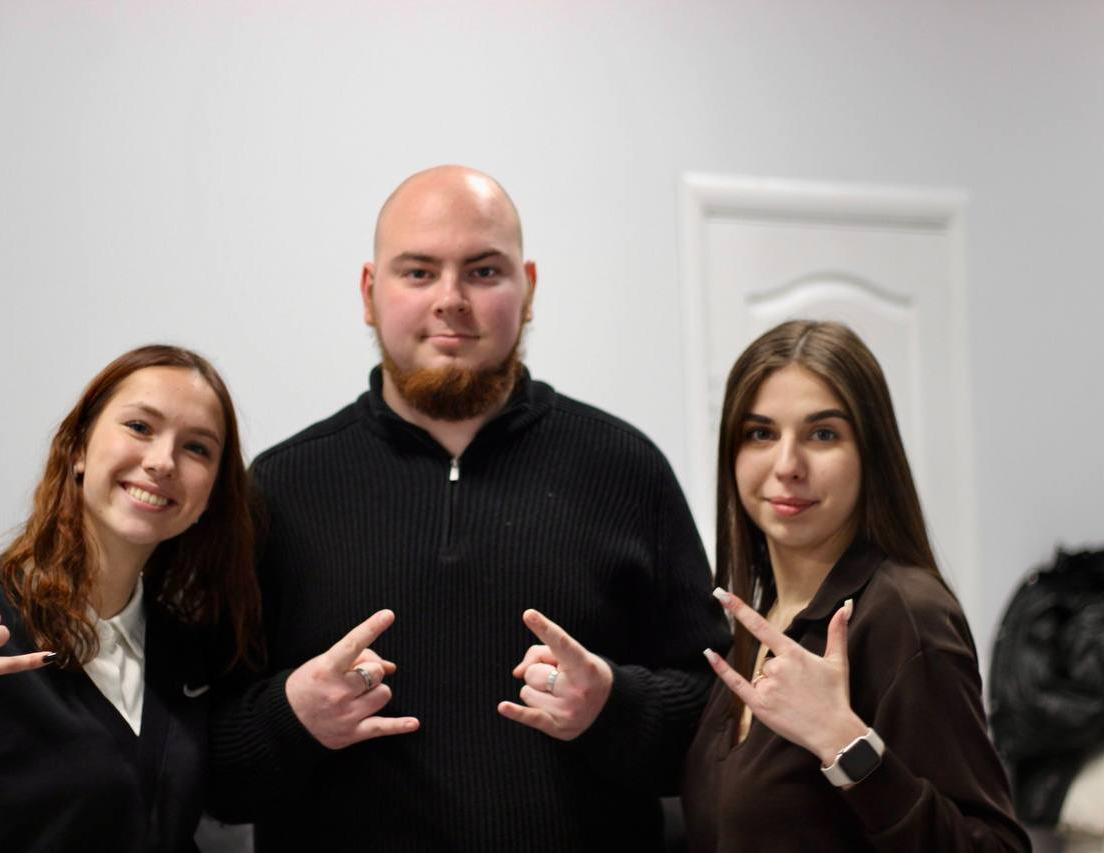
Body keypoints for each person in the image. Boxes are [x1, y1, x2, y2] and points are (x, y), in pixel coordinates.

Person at [209, 165, 730, 850]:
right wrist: (291, 717)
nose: (451, 300)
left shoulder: (627, 468)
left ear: (529, 289)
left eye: (483, 272)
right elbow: (208, 769)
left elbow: (720, 723)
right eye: (418, 272)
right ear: (369, 293)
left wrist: (613, 705)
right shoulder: (278, 487)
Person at [0, 345, 261, 852]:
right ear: (79, 447)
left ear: (212, 492)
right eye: (140, 427)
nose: (162, 462)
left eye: (197, 448)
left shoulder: (190, 651)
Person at [682, 320, 1030, 851]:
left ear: (871, 453)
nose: (787, 465)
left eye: (823, 434)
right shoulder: (767, 615)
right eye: (761, 434)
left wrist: (844, 743)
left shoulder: (905, 615)